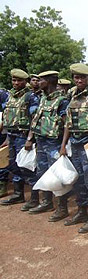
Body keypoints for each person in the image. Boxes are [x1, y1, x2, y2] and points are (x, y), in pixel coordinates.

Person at [60, 63, 88, 233]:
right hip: (76, 143)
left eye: (82, 77)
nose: (78, 80)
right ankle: (81, 212)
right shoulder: (71, 94)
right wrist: (64, 145)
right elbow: (68, 123)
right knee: (79, 181)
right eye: (76, 77)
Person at [26, 70, 70, 222]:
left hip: (54, 142)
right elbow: (35, 120)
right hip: (41, 140)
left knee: (57, 176)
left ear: (50, 81)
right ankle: (46, 202)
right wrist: (30, 138)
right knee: (43, 173)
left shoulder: (62, 100)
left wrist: (63, 145)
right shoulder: (43, 98)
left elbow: (67, 125)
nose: (37, 83)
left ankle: (62, 208)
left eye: (41, 80)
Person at [0, 69, 39, 206]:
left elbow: (35, 119)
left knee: (26, 167)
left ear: (25, 82)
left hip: (24, 136)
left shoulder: (30, 97)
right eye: (14, 80)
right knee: (12, 164)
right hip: (11, 136)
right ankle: (18, 194)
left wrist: (30, 139)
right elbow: (6, 117)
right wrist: (7, 139)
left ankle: (34, 199)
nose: (16, 83)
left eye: (19, 80)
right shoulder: (9, 96)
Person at [0, 87, 10, 198]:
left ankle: (2, 185)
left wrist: (7, 136)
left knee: (1, 158)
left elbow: (7, 114)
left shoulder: (2, 94)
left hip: (1, 131)